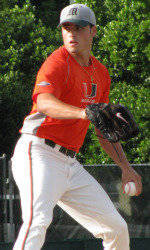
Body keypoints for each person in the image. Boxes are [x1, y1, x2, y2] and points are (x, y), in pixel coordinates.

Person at [11, 3, 142, 250]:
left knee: (116, 228)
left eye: (79, 27)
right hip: (38, 153)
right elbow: (44, 102)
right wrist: (85, 112)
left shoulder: (101, 73)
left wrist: (125, 167)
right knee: (37, 221)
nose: (72, 33)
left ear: (93, 31)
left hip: (70, 164)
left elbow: (103, 128)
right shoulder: (57, 62)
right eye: (66, 27)